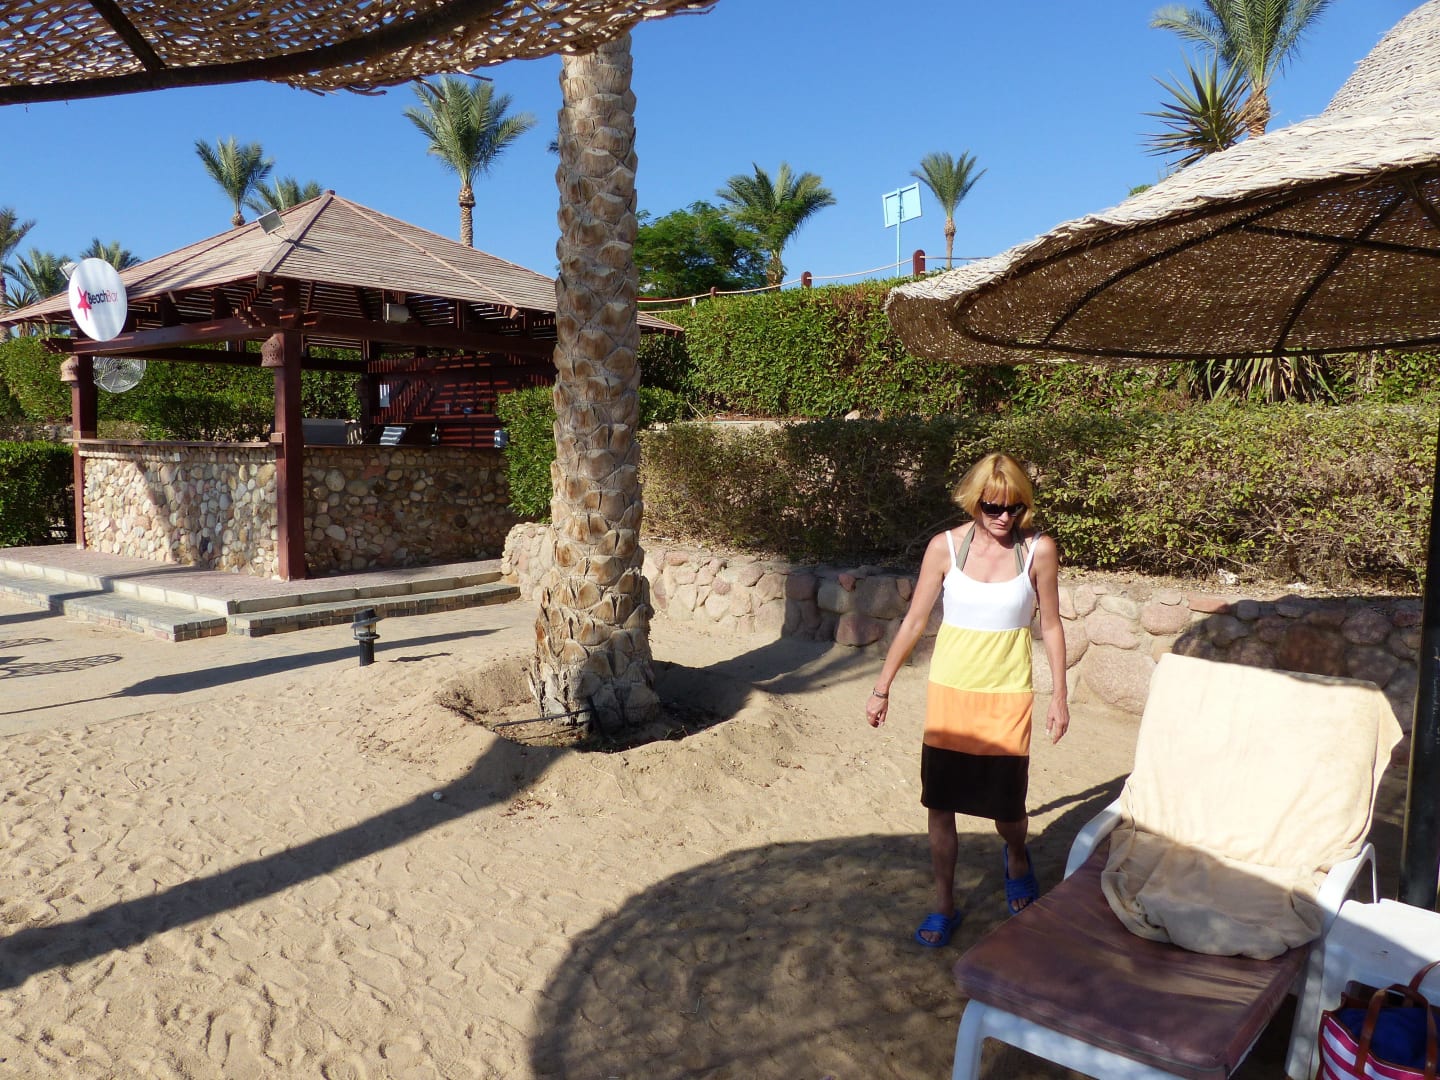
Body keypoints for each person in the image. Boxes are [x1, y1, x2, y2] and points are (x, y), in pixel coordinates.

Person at [865, 451, 1069, 947]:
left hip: (1007, 696)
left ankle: (1016, 853)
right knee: (941, 803)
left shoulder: (1037, 550)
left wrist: (1060, 696)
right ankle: (944, 904)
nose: (1004, 517)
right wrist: (882, 687)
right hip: (950, 694)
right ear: (973, 502)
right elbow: (915, 621)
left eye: (1014, 507)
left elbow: (1050, 624)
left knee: (1007, 809)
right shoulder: (944, 548)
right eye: (993, 507)